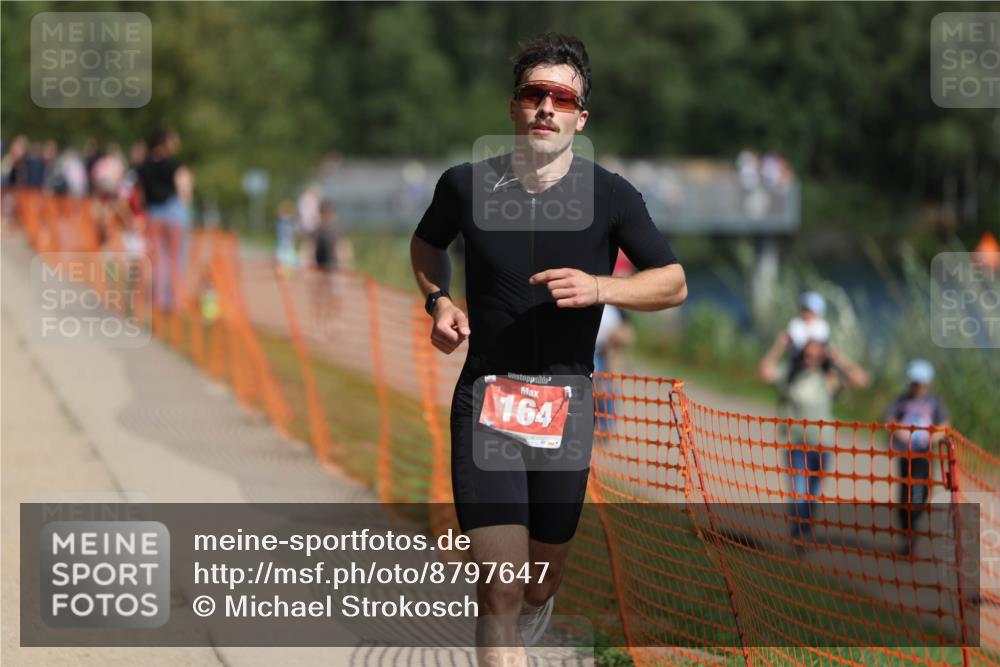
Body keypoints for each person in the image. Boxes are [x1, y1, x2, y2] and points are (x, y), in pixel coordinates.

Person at [410, 32, 686, 664]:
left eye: (562, 98)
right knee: (501, 589)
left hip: (566, 407)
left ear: (579, 118)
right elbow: (426, 245)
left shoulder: (610, 195)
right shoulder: (465, 186)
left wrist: (600, 287)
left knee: (539, 582)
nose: (545, 107)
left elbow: (672, 282)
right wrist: (440, 301)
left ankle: (536, 606)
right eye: (535, 93)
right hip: (486, 399)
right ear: (514, 105)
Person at [759, 338, 868, 545]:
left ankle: (805, 530)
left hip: (822, 444)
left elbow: (861, 380)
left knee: (813, 494)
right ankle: (799, 533)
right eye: (807, 355)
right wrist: (779, 345)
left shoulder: (829, 377)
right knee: (799, 491)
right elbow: (764, 373)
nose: (811, 359)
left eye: (816, 356)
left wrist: (839, 359)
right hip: (795, 443)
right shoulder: (790, 373)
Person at [881, 359, 950, 556]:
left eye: (921, 383)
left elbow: (945, 424)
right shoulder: (901, 400)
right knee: (905, 497)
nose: (918, 387)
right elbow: (888, 419)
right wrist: (899, 431)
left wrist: (932, 436)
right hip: (905, 455)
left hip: (924, 457)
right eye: (915, 383)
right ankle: (908, 535)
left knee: (919, 496)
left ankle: (914, 528)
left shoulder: (934, 402)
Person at [137, 129, 194, 313]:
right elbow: (184, 191)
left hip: (154, 215)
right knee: (176, 259)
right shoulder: (176, 166)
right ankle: (175, 302)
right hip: (175, 214)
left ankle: (158, 300)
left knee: (158, 259)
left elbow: (139, 193)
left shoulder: (143, 167)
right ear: (165, 143)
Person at [274, 200, 299, 273]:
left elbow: (295, 233)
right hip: (282, 243)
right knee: (281, 260)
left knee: (291, 260)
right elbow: (279, 212)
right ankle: (281, 271)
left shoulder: (292, 221)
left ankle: (288, 271)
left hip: (289, 243)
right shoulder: (281, 220)